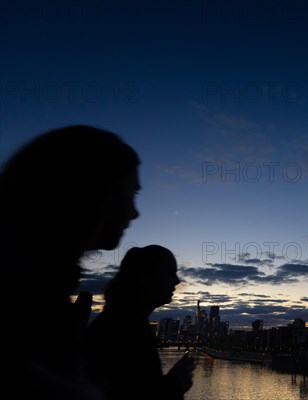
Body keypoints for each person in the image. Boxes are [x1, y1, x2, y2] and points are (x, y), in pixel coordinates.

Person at [0, 125, 141, 398]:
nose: (134, 213)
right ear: (93, 191)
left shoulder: (37, 289)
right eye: (130, 194)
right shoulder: (26, 301)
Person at [86, 245, 195, 400]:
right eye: (170, 272)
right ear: (146, 276)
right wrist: (175, 384)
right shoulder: (126, 329)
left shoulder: (121, 320)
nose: (177, 281)